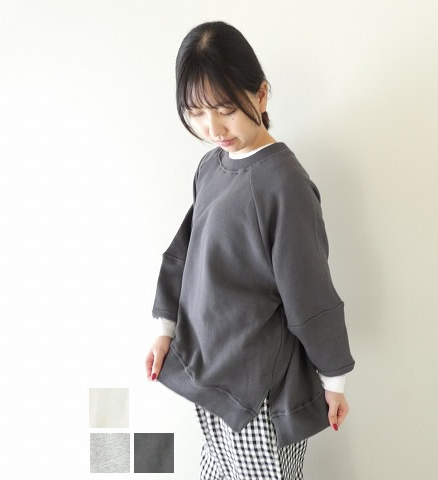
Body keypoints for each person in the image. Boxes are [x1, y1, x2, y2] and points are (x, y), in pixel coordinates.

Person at [144, 20, 355, 480]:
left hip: (258, 394)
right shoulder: (211, 166)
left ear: (260, 95)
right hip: (208, 377)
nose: (213, 127)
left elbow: (309, 292)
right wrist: (165, 330)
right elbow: (184, 253)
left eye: (225, 109)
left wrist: (333, 379)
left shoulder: (284, 184)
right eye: (197, 112)